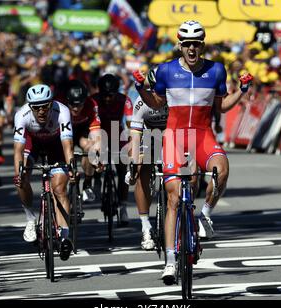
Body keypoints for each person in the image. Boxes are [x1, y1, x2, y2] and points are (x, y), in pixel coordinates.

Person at [133, 20, 253, 283]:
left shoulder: (216, 70)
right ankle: (170, 261)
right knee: (174, 198)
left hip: (202, 134)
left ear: (203, 44)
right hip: (175, 136)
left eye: (196, 44)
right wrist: (142, 88)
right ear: (179, 45)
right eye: (186, 44)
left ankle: (206, 216)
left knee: (221, 170)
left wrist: (242, 92)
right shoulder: (165, 71)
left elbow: (221, 107)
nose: (191, 49)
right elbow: (155, 103)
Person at [13, 84, 74, 261]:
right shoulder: (21, 115)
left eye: (45, 106)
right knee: (22, 177)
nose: (41, 111)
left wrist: (71, 167)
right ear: (30, 107)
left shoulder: (62, 111)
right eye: (36, 107)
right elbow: (18, 149)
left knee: (60, 189)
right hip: (33, 145)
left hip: (56, 146)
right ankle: (30, 219)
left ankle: (64, 236)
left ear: (51, 103)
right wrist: (19, 174)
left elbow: (67, 145)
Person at [126, 67, 169, 250]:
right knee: (141, 167)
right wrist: (135, 161)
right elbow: (135, 137)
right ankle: (145, 226)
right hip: (147, 134)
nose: (159, 94)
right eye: (155, 89)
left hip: (171, 132)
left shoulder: (177, 99)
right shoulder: (141, 103)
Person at [91, 74, 133, 226]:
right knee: (93, 154)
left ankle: (123, 207)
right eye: (104, 95)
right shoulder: (93, 100)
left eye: (111, 95)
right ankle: (95, 179)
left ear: (117, 92)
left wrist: (131, 144)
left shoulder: (125, 100)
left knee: (123, 168)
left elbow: (131, 125)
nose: (107, 99)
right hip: (98, 132)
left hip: (117, 132)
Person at [65, 79, 101, 202]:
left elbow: (96, 134)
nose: (75, 108)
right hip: (64, 132)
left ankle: (87, 182)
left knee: (90, 148)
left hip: (81, 132)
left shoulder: (92, 105)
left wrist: (97, 154)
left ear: (85, 101)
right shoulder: (59, 106)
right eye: (72, 105)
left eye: (79, 105)